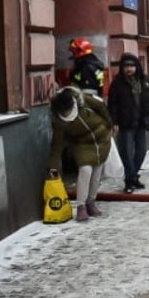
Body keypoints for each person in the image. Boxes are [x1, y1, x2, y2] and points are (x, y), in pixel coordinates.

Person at [47, 85, 113, 221]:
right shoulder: (59, 122)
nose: (67, 113)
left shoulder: (84, 101)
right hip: (82, 144)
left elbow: (101, 108)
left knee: (96, 174)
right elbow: (57, 146)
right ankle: (81, 206)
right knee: (85, 170)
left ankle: (91, 202)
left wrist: (109, 124)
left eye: (69, 109)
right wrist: (53, 167)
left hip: (101, 139)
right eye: (64, 111)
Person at [108, 53, 149, 193]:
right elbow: (112, 104)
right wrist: (114, 121)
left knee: (141, 152)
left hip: (141, 121)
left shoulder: (144, 80)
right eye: (126, 66)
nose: (129, 69)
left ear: (137, 67)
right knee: (127, 153)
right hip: (125, 123)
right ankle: (129, 181)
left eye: (131, 66)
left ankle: (132, 176)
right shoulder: (117, 83)